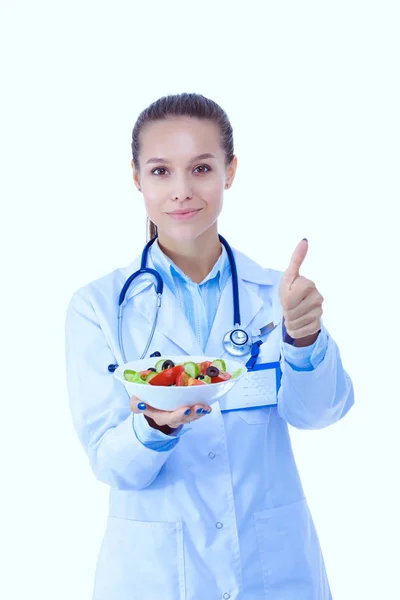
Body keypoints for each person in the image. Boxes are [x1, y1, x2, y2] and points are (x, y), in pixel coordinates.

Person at [65, 92, 354, 600]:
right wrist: (154, 424)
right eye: (160, 172)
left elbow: (319, 413)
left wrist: (303, 337)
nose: (181, 191)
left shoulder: (275, 296)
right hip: (155, 575)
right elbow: (110, 463)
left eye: (201, 168)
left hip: (275, 571)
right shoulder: (99, 307)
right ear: (136, 178)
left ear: (230, 171)